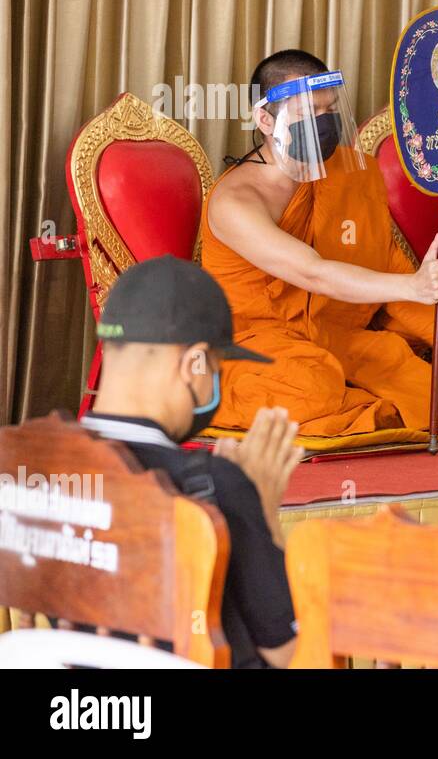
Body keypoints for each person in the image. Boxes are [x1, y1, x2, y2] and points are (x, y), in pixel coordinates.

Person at [202, 49, 438, 438]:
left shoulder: (352, 173)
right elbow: (314, 273)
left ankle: (356, 409)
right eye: (309, 114)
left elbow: (387, 265)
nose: (324, 124)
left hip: (333, 335)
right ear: (266, 119)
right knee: (312, 390)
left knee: (433, 393)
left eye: (329, 111)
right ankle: (354, 406)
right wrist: (414, 285)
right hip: (256, 341)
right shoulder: (236, 201)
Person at [80, 255, 300, 668]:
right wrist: (262, 512)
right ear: (193, 363)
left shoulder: (34, 465)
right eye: (215, 368)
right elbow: (294, 654)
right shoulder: (210, 487)